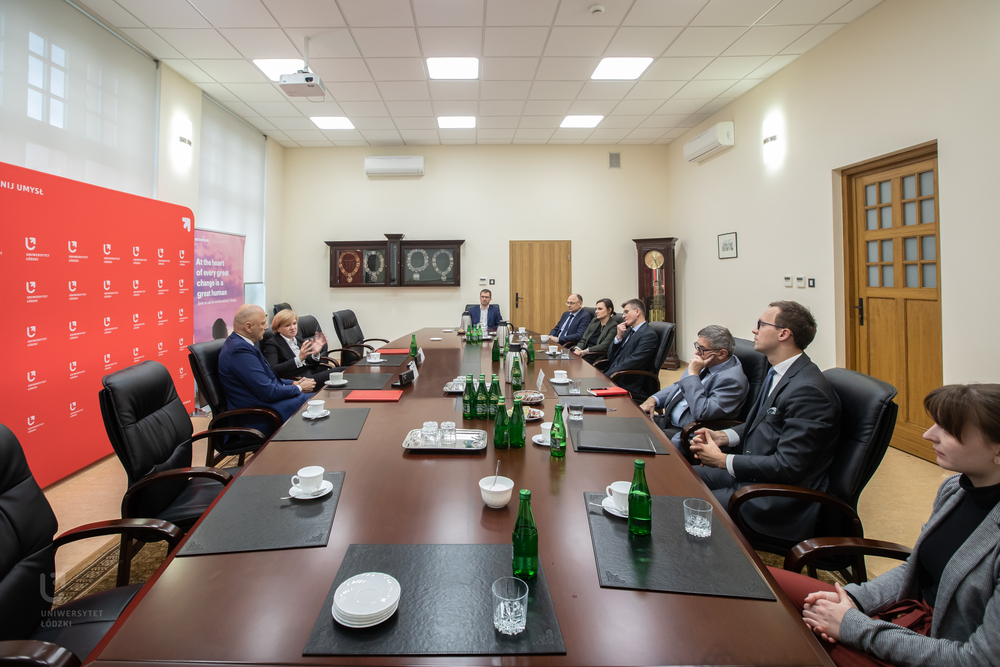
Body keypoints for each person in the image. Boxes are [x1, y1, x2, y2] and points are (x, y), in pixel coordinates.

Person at [770, 383, 1000, 667]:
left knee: (786, 644)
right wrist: (854, 599)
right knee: (763, 583)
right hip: (901, 622)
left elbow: (979, 660)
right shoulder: (956, 488)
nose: (928, 434)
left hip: (933, 649)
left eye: (948, 430)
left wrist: (852, 626)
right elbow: (915, 568)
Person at [689, 300, 840, 544]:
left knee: (687, 506)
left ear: (784, 334)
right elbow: (763, 422)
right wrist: (723, 436)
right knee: (681, 479)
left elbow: (789, 466)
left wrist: (722, 459)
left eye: (761, 324)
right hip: (754, 475)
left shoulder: (809, 390)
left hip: (775, 498)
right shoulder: (777, 372)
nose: (754, 330)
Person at [639, 325, 748, 448]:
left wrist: (693, 376)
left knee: (638, 444)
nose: (696, 352)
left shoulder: (732, 381)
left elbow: (702, 412)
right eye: (697, 346)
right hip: (668, 420)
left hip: (687, 431)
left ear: (722, 354)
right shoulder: (705, 362)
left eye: (702, 349)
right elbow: (679, 386)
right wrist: (654, 399)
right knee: (631, 422)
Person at [219, 304, 314, 434]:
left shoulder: (241, 344)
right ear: (248, 327)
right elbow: (267, 391)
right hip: (257, 415)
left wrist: (293, 383)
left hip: (266, 404)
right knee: (315, 402)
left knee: (316, 402)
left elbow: (268, 378)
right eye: (263, 323)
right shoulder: (239, 351)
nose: (266, 327)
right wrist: (299, 388)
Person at [262, 309, 334, 385]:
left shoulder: (298, 339)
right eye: (287, 325)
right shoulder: (272, 344)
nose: (293, 327)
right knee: (342, 372)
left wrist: (315, 354)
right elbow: (273, 370)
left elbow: (312, 367)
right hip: (298, 381)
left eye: (294, 323)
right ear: (278, 328)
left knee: (344, 371)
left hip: (310, 376)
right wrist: (298, 359)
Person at [604, 298, 659, 398]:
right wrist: (618, 338)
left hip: (627, 382)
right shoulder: (628, 331)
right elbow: (610, 356)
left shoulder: (648, 335)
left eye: (626, 312)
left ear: (637, 312)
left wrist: (605, 377)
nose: (623, 316)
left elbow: (632, 362)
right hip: (614, 376)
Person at [572, 298, 617, 363]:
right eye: (596, 309)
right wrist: (577, 349)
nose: (596, 311)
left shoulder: (613, 326)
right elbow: (584, 339)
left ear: (609, 310)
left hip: (595, 357)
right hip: (584, 354)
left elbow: (604, 346)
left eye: (600, 309)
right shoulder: (595, 321)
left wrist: (584, 352)